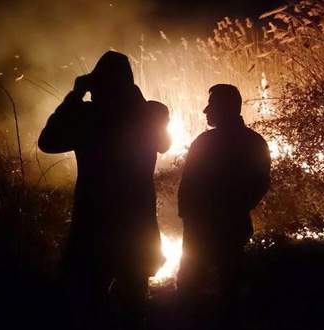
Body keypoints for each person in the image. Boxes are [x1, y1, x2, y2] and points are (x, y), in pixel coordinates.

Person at [38, 51, 171, 330]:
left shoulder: (87, 117)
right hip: (136, 221)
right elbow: (164, 142)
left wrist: (75, 96)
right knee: (133, 304)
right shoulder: (150, 114)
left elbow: (48, 141)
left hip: (93, 221)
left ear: (97, 83)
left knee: (89, 303)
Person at [176, 84, 271, 329]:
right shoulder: (254, 142)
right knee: (230, 287)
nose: (206, 111)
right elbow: (260, 183)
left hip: (202, 228)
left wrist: (190, 215)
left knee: (190, 287)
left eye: (212, 105)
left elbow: (189, 183)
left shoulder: (205, 143)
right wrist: (237, 209)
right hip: (232, 226)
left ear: (225, 108)